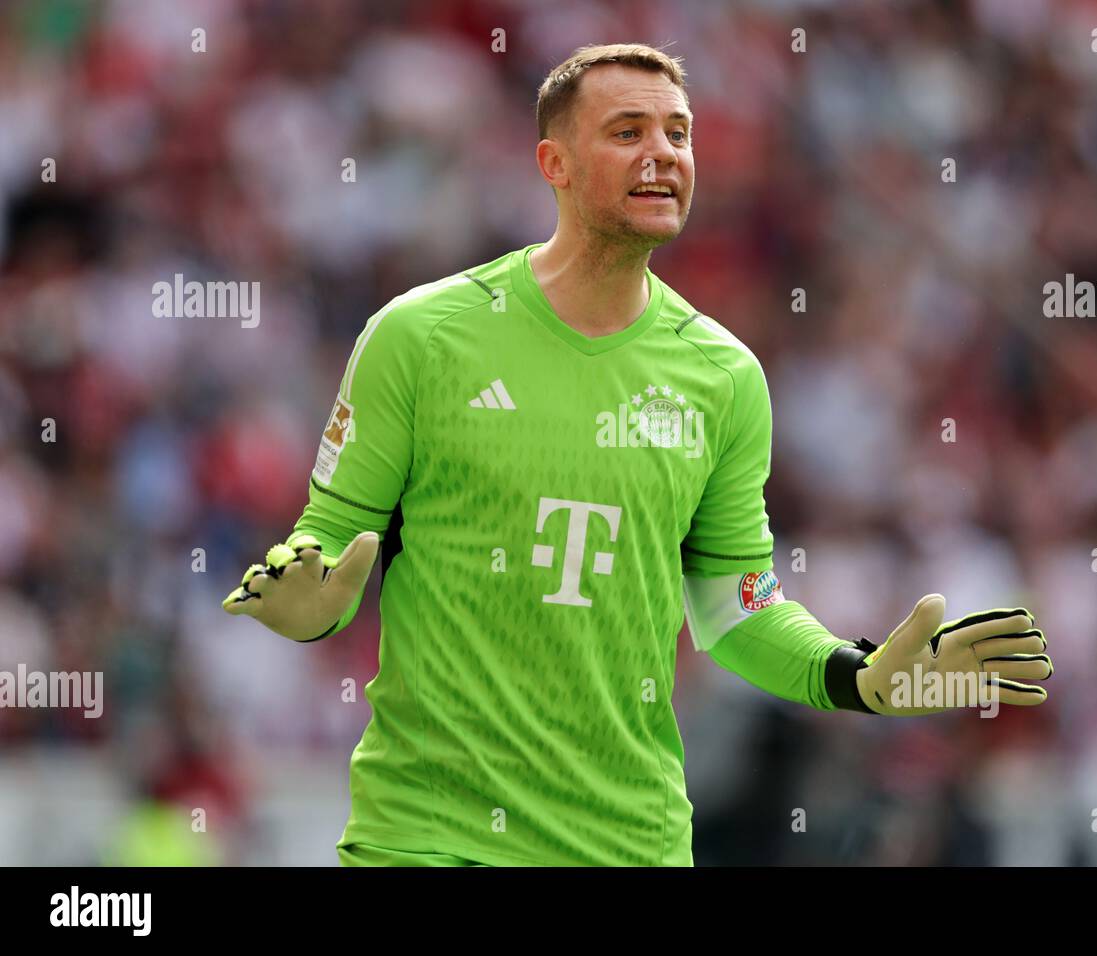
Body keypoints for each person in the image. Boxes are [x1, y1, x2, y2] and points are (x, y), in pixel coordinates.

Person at [222, 42, 1053, 867]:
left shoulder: (724, 377)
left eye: (678, 134)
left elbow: (737, 606)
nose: (663, 153)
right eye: (628, 131)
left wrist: (857, 676)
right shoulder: (420, 335)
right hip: (432, 840)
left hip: (630, 843)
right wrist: (307, 609)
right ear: (555, 162)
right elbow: (331, 540)